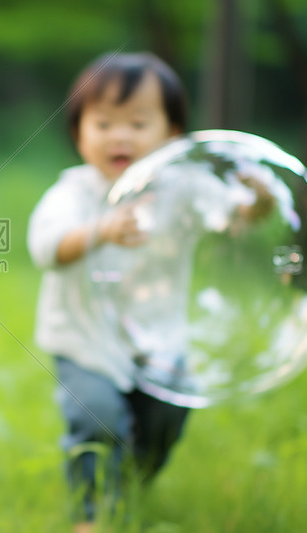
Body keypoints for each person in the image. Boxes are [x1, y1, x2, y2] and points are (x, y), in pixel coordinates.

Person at [27, 52, 192, 532]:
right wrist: (100, 229)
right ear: (79, 133)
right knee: (96, 418)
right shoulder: (72, 192)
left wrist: (256, 200)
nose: (120, 136)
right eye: (103, 123)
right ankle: (92, 512)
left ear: (173, 136)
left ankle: (132, 483)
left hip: (157, 340)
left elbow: (235, 213)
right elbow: (47, 246)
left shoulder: (182, 189)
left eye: (139, 123)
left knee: (167, 417)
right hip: (85, 343)